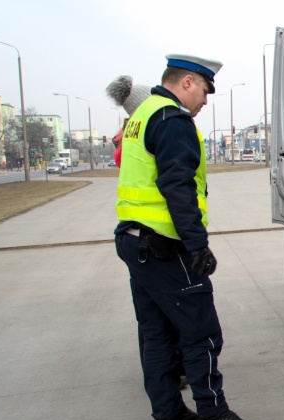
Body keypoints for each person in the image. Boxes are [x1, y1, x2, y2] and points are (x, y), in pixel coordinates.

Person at [112, 54, 259, 420]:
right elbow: (176, 187)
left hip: (134, 241)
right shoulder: (173, 120)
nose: (206, 101)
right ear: (189, 82)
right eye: (206, 91)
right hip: (164, 246)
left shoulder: (142, 116)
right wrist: (198, 245)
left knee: (157, 333)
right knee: (201, 334)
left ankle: (169, 417)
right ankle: (213, 416)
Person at [107, 76, 188, 391]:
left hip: (134, 235)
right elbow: (174, 185)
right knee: (173, 315)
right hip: (158, 238)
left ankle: (162, 382)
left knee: (152, 320)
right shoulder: (151, 133)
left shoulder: (129, 136)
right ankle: (172, 372)